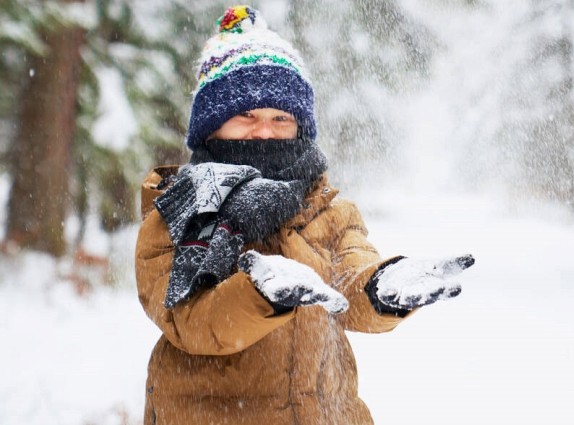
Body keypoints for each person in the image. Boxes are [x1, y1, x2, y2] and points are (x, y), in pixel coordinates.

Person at [135, 5, 475, 425]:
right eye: (246, 115)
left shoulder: (330, 211)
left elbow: (350, 281)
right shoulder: (179, 212)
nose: (264, 130)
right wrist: (259, 295)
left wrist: (380, 288)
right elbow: (192, 321)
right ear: (210, 126)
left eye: (281, 118)